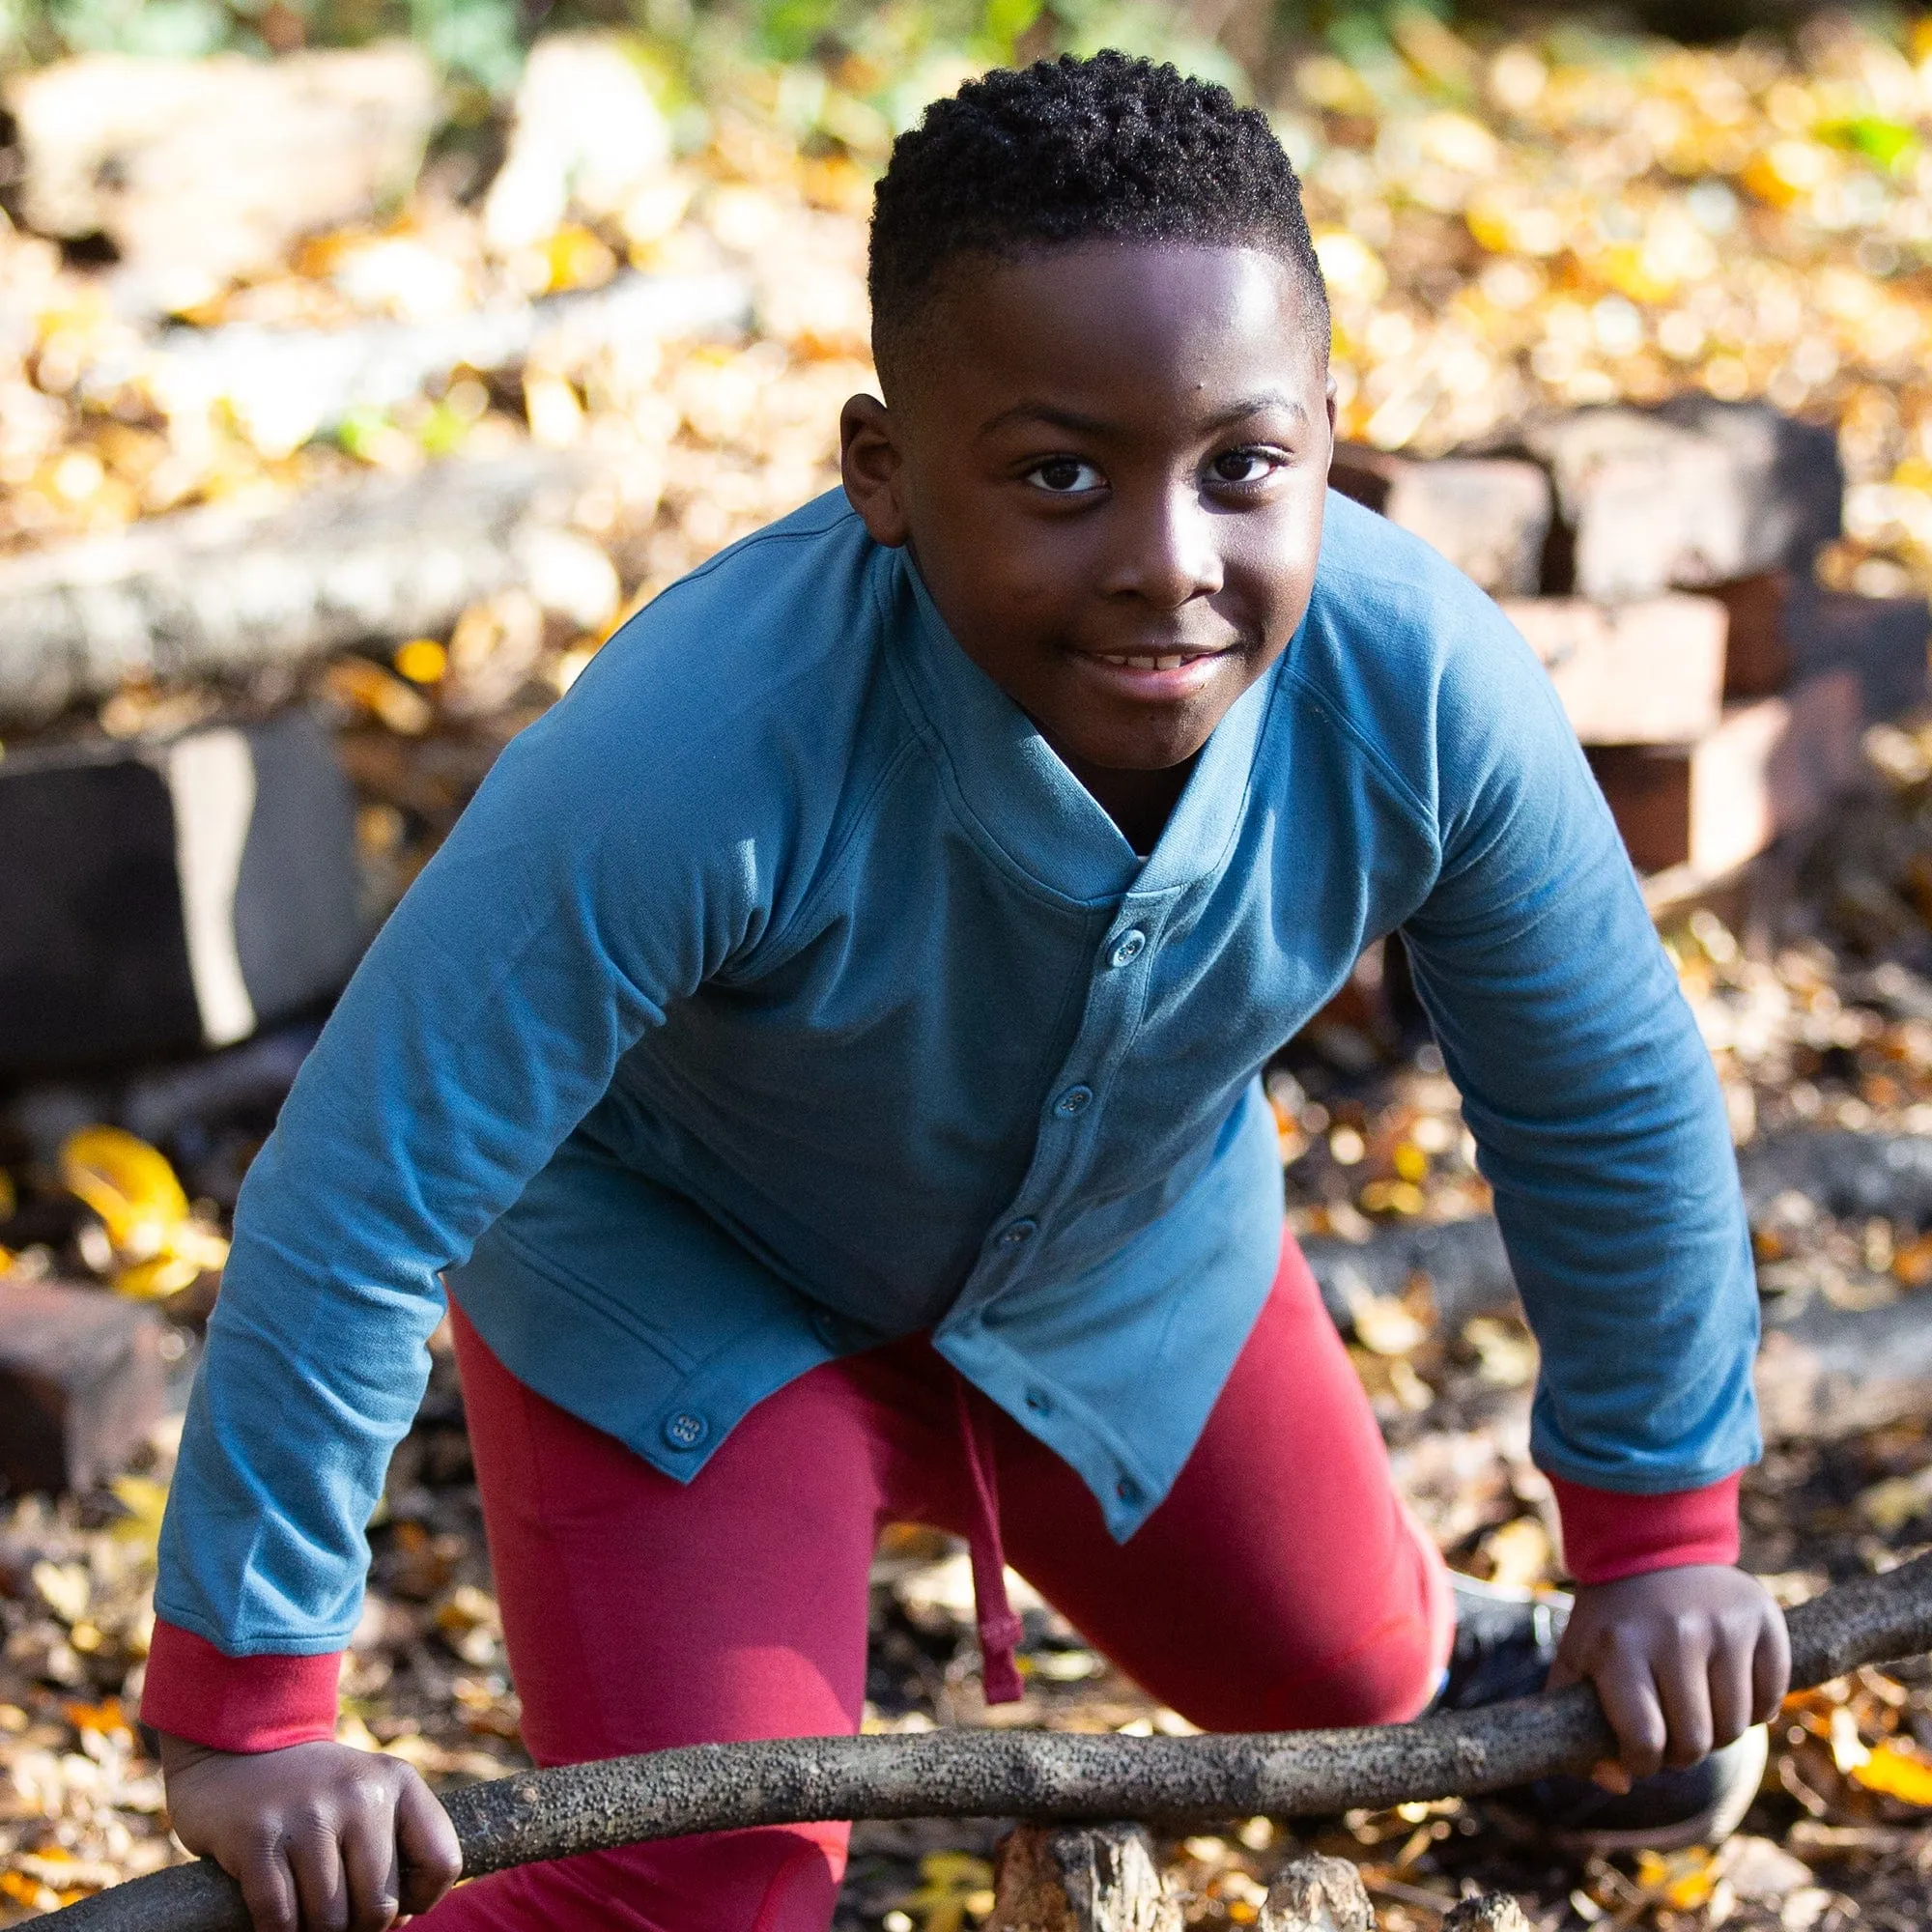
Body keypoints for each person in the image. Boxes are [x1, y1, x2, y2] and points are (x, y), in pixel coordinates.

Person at [140, 51, 1789, 1932]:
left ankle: (1444, 1640)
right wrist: (257, 1712)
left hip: (1124, 1263)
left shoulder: (1417, 691)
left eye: (1243, 464)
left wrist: (1662, 1538)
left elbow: (1603, 1090)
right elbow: (365, 1189)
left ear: (1329, 431)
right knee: (707, 1892)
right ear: (884, 473)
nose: (1169, 561)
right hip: (684, 1294)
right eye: (1059, 474)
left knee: (1339, 1686)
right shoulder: (695, 752)